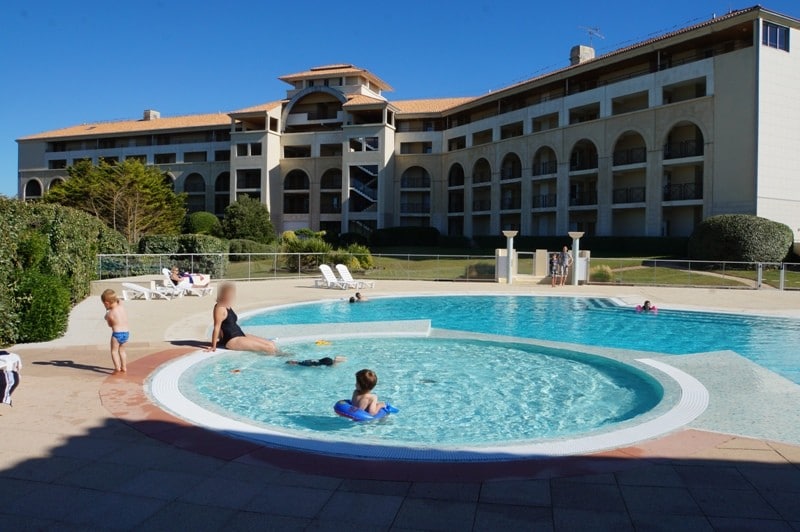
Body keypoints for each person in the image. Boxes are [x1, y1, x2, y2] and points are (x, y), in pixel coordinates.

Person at [208, 282, 278, 354]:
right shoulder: (220, 308)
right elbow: (217, 327)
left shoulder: (227, 305)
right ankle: (282, 360)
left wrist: (221, 339)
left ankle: (285, 357)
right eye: (230, 293)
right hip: (232, 340)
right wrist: (214, 346)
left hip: (240, 334)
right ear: (223, 294)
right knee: (268, 348)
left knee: (271, 344)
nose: (232, 295)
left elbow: (224, 324)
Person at [101, 289, 129, 374]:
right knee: (122, 351)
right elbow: (119, 301)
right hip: (126, 333)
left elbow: (110, 325)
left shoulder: (110, 314)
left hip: (117, 334)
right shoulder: (121, 307)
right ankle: (124, 367)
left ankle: (117, 368)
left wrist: (106, 316)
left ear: (106, 303)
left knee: (114, 351)